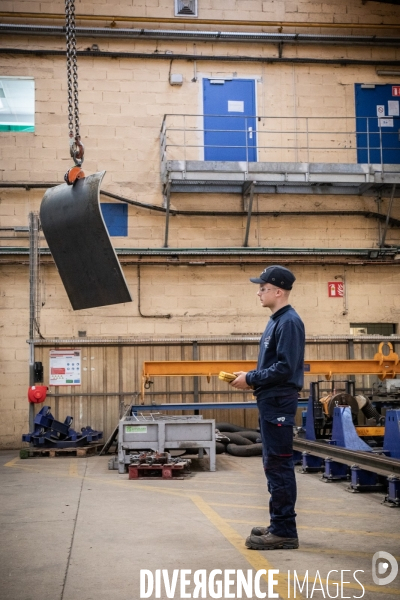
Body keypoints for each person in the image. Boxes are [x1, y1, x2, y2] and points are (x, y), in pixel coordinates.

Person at [230, 265, 305, 550]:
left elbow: (285, 368)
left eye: (262, 288)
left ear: (278, 291)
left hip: (279, 402)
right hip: (271, 401)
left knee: (279, 464)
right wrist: (249, 374)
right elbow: (274, 365)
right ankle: (278, 523)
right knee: (272, 463)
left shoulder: (289, 322)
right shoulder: (276, 321)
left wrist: (251, 378)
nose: (258, 292)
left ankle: (285, 531)